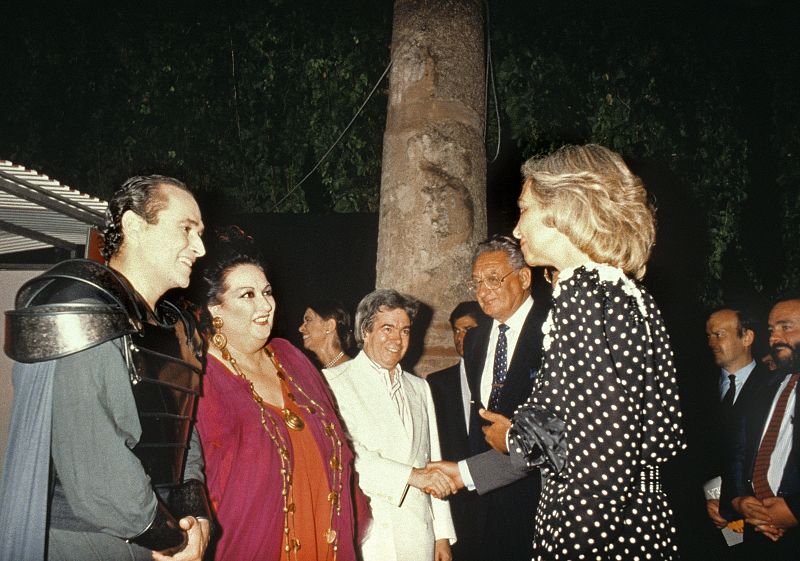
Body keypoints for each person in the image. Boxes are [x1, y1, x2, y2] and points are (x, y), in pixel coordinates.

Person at [430, 144, 685, 560]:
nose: (516, 229)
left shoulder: (583, 292)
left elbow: (601, 462)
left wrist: (572, 545)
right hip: (637, 521)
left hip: (598, 532)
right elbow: (582, 435)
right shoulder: (623, 292)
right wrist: (469, 470)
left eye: (525, 208)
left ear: (565, 208)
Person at [0, 175, 211, 561]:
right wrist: (175, 541)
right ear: (134, 225)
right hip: (89, 541)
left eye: (199, 232)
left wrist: (195, 513)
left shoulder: (174, 326)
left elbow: (184, 430)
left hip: (153, 532)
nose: (199, 247)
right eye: (186, 229)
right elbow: (97, 474)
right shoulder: (84, 305)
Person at [191, 227, 367, 561]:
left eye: (267, 292)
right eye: (247, 295)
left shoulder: (290, 357)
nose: (266, 304)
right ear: (216, 310)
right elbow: (200, 478)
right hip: (249, 543)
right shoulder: (202, 378)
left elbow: (339, 440)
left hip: (325, 538)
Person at [323, 289, 456, 561]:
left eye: (405, 331)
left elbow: (434, 459)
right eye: (387, 328)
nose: (397, 339)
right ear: (365, 331)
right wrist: (410, 476)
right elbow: (347, 455)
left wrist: (442, 534)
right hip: (368, 535)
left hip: (419, 535)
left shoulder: (420, 388)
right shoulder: (334, 382)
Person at [720, 294, 800, 560]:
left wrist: (794, 512)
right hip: (752, 532)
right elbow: (737, 453)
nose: (774, 338)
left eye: (785, 327)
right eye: (771, 329)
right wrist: (737, 501)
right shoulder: (764, 387)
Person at [703, 307, 772, 541]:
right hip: (706, 517)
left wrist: (732, 503)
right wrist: (706, 497)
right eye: (708, 336)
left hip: (758, 516)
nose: (711, 342)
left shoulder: (775, 386)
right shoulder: (694, 390)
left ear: (747, 337)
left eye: (719, 334)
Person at [426, 301, 483, 561]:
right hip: (455, 498)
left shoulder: (500, 379)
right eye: (456, 331)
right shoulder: (437, 383)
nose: (461, 338)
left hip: (495, 492)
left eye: (469, 329)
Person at [298, 299, 354, 369]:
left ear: (329, 326)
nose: (300, 328)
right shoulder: (320, 374)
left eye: (308, 320)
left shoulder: (355, 372)